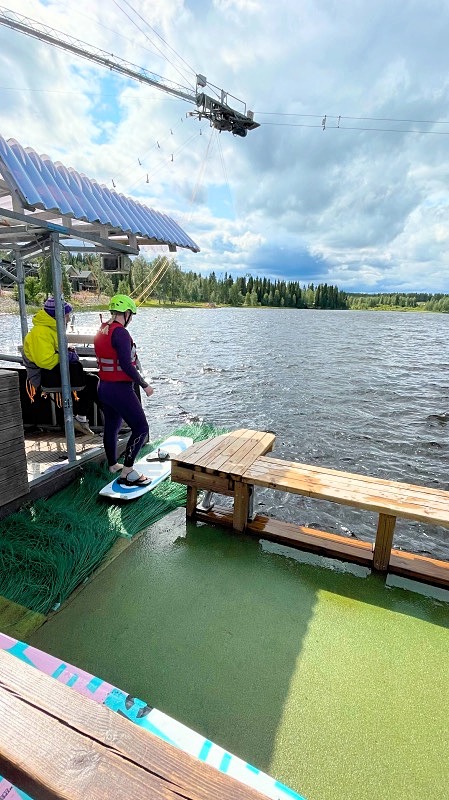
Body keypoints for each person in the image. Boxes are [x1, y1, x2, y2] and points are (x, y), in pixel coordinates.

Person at [94, 294, 154, 485]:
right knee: (141, 427)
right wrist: (145, 385)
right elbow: (127, 365)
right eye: (131, 315)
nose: (131, 319)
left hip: (103, 387)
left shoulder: (103, 329)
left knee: (112, 426)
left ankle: (113, 464)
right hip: (119, 389)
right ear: (126, 313)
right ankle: (127, 471)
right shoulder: (120, 333)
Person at [23, 297, 98, 435]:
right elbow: (45, 361)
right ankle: (93, 420)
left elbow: (54, 351)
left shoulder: (51, 330)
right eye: (66, 316)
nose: (69, 319)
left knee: (92, 381)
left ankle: (82, 418)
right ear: (57, 315)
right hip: (44, 376)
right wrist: (67, 356)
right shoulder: (40, 332)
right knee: (88, 380)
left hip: (52, 372)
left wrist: (67, 351)